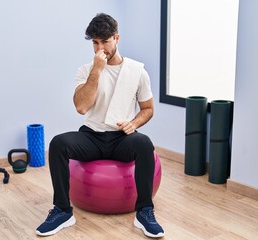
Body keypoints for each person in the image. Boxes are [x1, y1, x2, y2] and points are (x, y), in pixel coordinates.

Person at [36, 13, 165, 238]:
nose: (100, 48)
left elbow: (148, 109)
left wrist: (134, 123)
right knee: (58, 143)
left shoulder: (138, 72)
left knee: (144, 142)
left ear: (117, 38)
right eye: (95, 43)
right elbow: (81, 107)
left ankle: (144, 211)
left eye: (105, 41)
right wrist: (97, 70)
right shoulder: (86, 70)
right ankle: (63, 211)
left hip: (121, 138)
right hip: (92, 137)